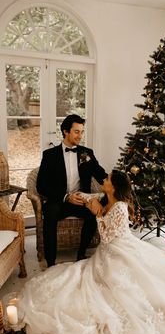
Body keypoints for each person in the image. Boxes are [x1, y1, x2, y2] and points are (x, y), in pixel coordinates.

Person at [21, 170, 165, 334]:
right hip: (107, 251)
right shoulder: (104, 199)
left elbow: (105, 237)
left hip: (119, 250)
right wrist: (79, 198)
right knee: (80, 277)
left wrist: (97, 214)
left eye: (106, 180)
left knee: (126, 284)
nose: (103, 181)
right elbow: (88, 197)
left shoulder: (121, 208)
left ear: (113, 187)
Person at [36, 114, 107, 267]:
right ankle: (51, 262)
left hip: (82, 201)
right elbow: (41, 185)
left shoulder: (87, 153)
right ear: (65, 131)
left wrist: (118, 183)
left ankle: (81, 255)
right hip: (59, 200)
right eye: (76, 131)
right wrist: (66, 197)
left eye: (82, 132)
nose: (80, 135)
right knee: (50, 213)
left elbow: (102, 176)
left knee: (93, 213)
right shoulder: (49, 155)